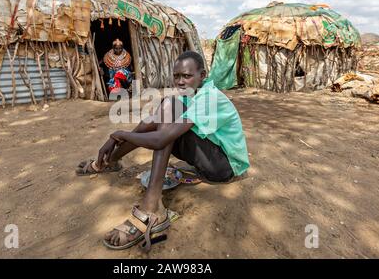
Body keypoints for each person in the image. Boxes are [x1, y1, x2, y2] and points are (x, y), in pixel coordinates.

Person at [76, 51, 250, 251]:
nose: (181, 81)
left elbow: (161, 140)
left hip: (224, 167)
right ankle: (109, 162)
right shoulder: (190, 95)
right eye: (177, 76)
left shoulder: (210, 97)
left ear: (202, 75)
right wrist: (114, 143)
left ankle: (152, 209)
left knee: (169, 110)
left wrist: (121, 133)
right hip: (209, 158)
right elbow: (147, 125)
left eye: (187, 76)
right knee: (167, 108)